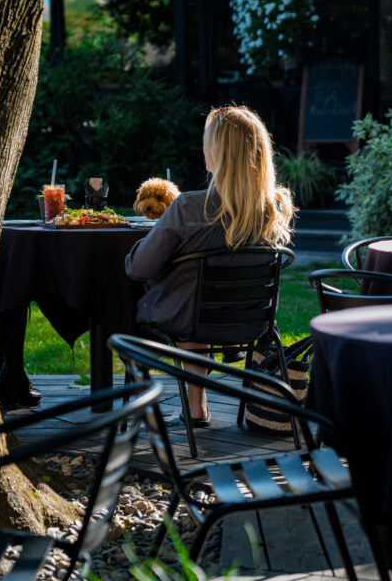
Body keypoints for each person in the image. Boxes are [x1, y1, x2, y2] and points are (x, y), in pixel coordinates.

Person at [125, 105, 294, 426]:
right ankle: (196, 408)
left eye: (207, 141)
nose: (203, 147)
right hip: (251, 323)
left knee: (183, 301)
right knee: (198, 297)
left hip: (187, 319)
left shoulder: (187, 207)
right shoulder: (275, 208)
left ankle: (173, 412)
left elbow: (139, 269)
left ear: (216, 153)